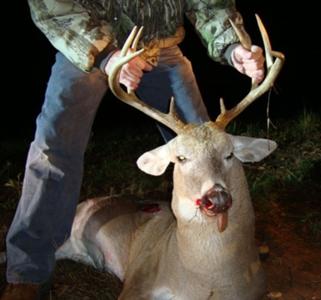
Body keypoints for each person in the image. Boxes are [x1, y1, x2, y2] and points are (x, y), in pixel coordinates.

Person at [2, 0, 265, 298]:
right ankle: (28, 271)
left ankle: (229, 253)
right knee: (53, 149)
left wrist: (232, 46)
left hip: (160, 49)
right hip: (87, 47)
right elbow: (55, 6)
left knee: (209, 147)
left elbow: (207, 3)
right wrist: (106, 55)